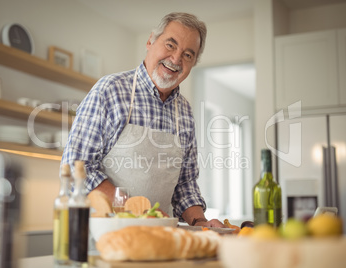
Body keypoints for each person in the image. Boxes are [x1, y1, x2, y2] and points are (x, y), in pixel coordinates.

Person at [61, 12, 225, 228]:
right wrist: (131, 208)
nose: (176, 59)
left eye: (187, 55)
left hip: (158, 236)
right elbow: (78, 167)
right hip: (101, 235)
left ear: (193, 63)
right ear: (150, 41)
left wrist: (201, 222)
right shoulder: (110, 90)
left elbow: (184, 184)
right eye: (170, 45)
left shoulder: (183, 111)